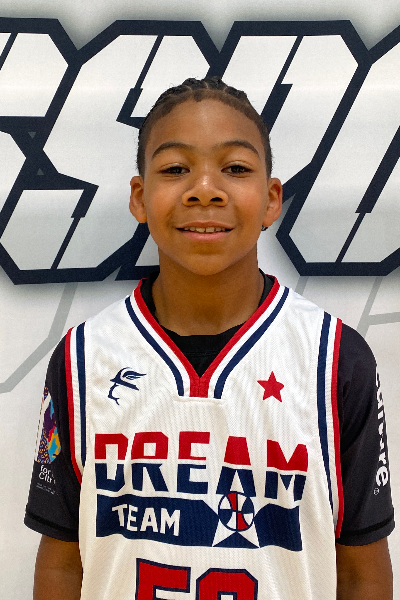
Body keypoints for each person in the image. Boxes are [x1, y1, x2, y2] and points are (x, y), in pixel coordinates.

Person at [26, 77, 394, 599]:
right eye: (175, 169)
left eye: (235, 168)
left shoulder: (335, 358)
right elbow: (63, 563)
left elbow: (361, 572)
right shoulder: (83, 358)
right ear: (140, 197)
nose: (205, 189)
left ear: (271, 200)